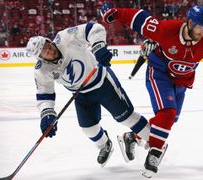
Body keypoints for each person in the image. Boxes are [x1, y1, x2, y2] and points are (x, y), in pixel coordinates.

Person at [100, 2, 203, 177]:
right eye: (201, 29)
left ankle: (133, 137)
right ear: (190, 23)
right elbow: (139, 18)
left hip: (182, 82)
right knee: (168, 113)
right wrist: (115, 13)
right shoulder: (167, 30)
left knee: (170, 119)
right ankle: (155, 153)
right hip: (159, 73)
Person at [25, 22, 151, 167]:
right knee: (88, 129)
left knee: (127, 118)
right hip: (80, 95)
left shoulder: (65, 38)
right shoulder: (42, 70)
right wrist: (47, 114)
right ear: (40, 58)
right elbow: (44, 94)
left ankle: (156, 143)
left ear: (49, 41)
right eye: (44, 52)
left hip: (102, 83)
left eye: (47, 45)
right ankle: (105, 145)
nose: (49, 50)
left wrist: (98, 48)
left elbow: (93, 28)